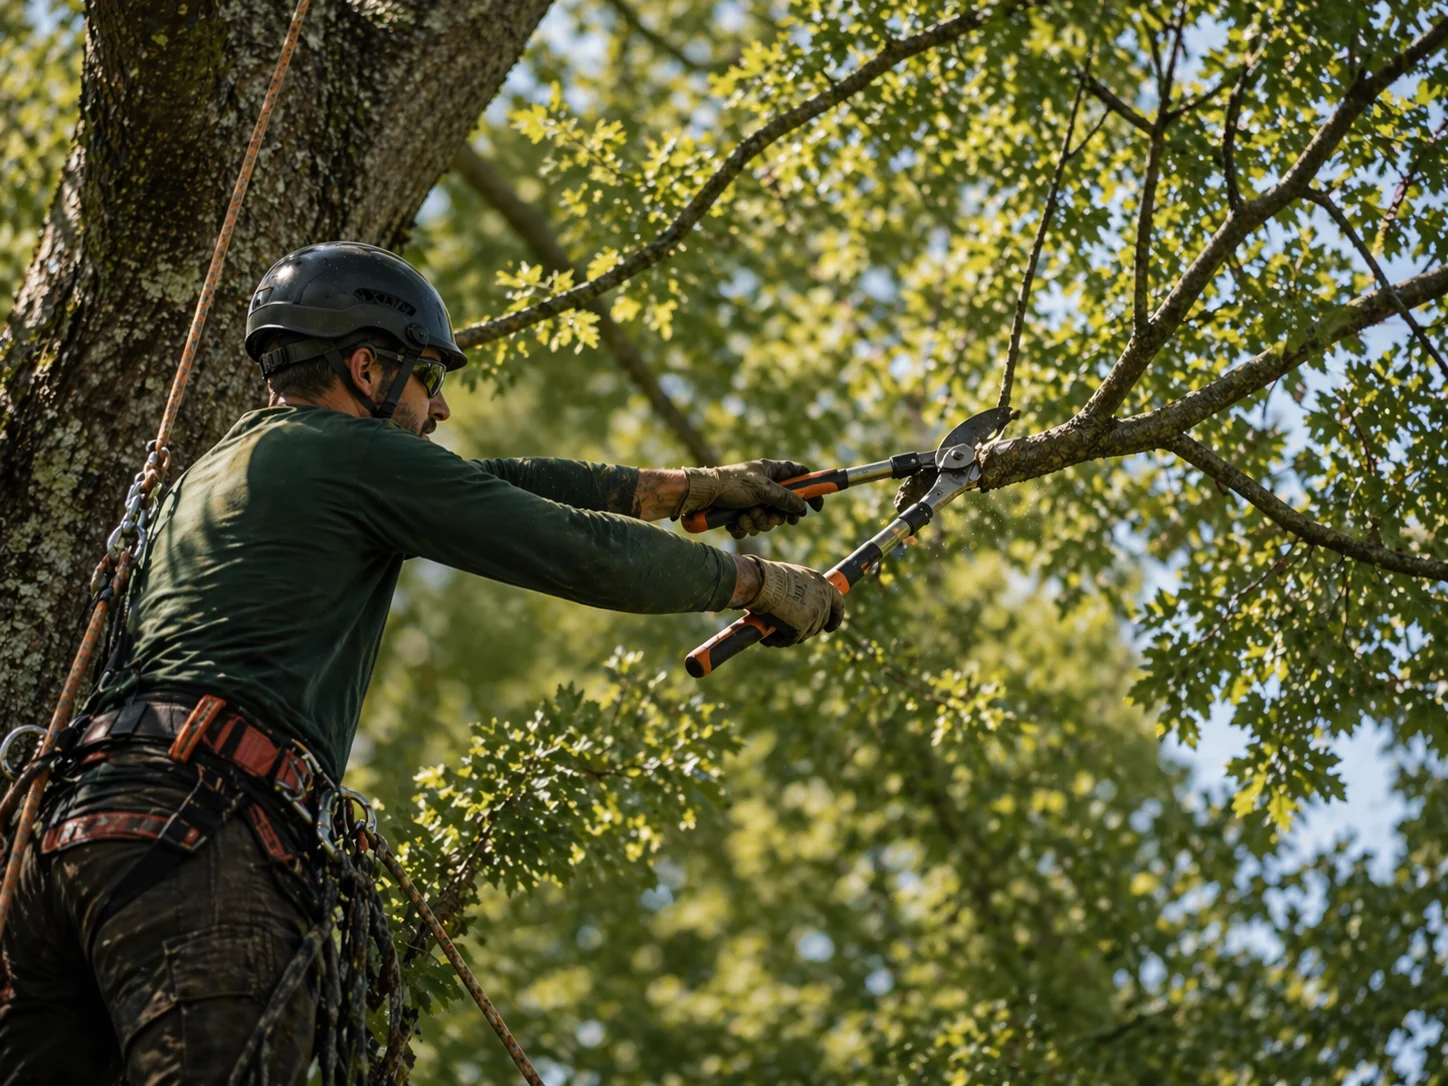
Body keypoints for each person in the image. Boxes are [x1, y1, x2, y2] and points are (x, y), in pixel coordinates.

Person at [0, 241, 845, 1084]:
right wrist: (756, 583)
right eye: (428, 379)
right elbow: (577, 551)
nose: (438, 409)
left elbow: (492, 483)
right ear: (367, 367)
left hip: (63, 846)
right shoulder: (350, 460)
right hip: (197, 835)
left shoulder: (221, 472)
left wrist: (687, 490)